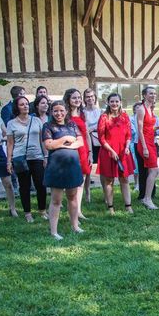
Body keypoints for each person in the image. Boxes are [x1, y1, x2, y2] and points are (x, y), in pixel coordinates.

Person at [42, 100, 85, 240]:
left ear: (66, 111)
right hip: (57, 167)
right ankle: (54, 231)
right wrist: (65, 139)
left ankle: (75, 225)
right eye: (55, 111)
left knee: (72, 197)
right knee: (56, 200)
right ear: (51, 112)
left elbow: (80, 141)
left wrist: (68, 146)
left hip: (72, 165)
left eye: (61, 110)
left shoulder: (72, 124)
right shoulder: (47, 126)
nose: (58, 113)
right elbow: (49, 145)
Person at [6, 95, 47, 222]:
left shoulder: (36, 121)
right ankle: (27, 213)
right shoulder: (11, 123)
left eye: (26, 104)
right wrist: (9, 161)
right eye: (22, 104)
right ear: (16, 107)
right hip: (20, 158)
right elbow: (10, 143)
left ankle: (42, 210)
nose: (25, 106)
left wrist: (45, 156)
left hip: (37, 156)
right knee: (24, 186)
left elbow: (42, 140)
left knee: (41, 185)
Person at [97, 93, 135, 215]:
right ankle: (110, 207)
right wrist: (111, 151)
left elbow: (129, 134)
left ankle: (128, 206)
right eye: (112, 101)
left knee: (124, 179)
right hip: (108, 152)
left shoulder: (124, 116)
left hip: (123, 151)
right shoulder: (104, 117)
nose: (114, 104)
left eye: (116, 101)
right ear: (108, 102)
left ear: (120, 102)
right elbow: (101, 138)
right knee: (109, 180)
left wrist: (127, 147)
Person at [64, 88, 92, 219]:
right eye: (74, 98)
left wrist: (90, 152)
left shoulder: (82, 114)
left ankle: (79, 210)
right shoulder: (64, 115)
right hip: (71, 150)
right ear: (68, 100)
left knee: (82, 180)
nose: (77, 100)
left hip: (83, 149)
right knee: (72, 182)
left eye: (79, 97)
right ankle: (72, 209)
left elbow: (86, 135)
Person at [136, 86, 159, 209]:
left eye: (155, 93)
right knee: (154, 170)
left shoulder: (151, 108)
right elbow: (140, 130)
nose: (153, 95)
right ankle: (147, 199)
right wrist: (144, 148)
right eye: (150, 93)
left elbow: (148, 127)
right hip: (145, 143)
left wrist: (158, 128)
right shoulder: (141, 109)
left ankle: (147, 197)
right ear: (144, 95)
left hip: (151, 141)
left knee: (152, 171)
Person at [83, 88, 102, 202]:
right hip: (88, 141)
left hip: (100, 141)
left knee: (102, 167)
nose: (90, 98)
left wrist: (91, 128)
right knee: (88, 168)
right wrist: (90, 129)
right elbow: (84, 129)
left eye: (91, 96)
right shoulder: (83, 112)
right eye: (87, 97)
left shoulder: (101, 111)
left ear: (95, 97)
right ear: (84, 99)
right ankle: (87, 194)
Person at [129, 102, 141, 188]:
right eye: (137, 107)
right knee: (136, 165)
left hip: (144, 143)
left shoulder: (145, 117)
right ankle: (136, 184)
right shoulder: (131, 119)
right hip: (134, 143)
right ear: (134, 109)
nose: (139, 109)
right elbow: (133, 132)